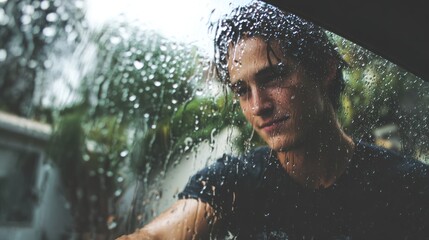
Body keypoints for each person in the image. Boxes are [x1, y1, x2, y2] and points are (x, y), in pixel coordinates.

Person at [117, 1, 429, 239]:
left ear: (324, 69)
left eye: (274, 76)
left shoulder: (407, 186)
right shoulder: (236, 181)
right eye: (241, 90)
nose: (258, 106)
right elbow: (155, 235)